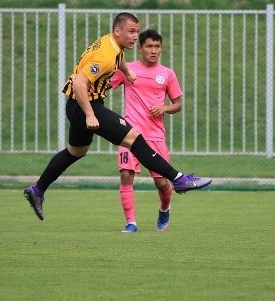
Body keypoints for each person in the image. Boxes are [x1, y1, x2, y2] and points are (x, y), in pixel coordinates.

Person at [23, 12, 211, 221]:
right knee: (135, 140)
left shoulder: (111, 43)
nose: (135, 36)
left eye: (136, 31)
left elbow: (117, 57)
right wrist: (90, 115)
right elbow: (79, 83)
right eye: (131, 32)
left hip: (77, 105)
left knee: (75, 152)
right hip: (86, 105)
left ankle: (37, 190)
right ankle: (179, 179)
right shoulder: (105, 55)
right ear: (117, 31)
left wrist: (126, 72)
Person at [109, 29, 182, 233]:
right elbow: (106, 85)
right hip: (129, 135)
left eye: (157, 46)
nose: (154, 50)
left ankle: (165, 208)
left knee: (161, 182)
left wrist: (164, 108)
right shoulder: (128, 70)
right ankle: (131, 222)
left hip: (155, 136)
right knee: (126, 174)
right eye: (149, 46)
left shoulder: (167, 74)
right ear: (140, 48)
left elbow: (178, 104)